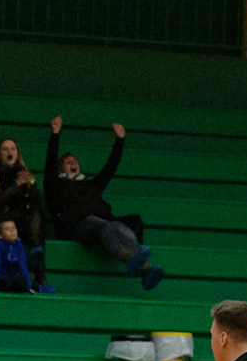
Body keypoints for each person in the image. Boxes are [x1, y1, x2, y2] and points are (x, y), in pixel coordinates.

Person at [46, 116, 163, 291]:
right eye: (69, 162)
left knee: (120, 224)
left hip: (104, 224)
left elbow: (110, 168)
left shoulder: (91, 184)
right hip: (75, 226)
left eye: (75, 161)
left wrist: (120, 140)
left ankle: (144, 268)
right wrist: (55, 134)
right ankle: (137, 262)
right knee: (107, 226)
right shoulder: (55, 185)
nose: (74, 163)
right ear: (60, 169)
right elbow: (49, 162)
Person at [0, 138, 49, 290]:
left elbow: (38, 200)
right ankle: (39, 276)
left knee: (35, 212)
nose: (9, 152)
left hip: (24, 221)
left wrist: (29, 186)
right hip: (4, 219)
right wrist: (16, 186)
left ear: (18, 154)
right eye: (5, 149)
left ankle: (37, 254)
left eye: (13, 149)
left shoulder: (24, 173)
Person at [0, 218, 34, 293]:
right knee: (4, 283)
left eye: (13, 228)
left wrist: (28, 287)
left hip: (12, 278)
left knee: (20, 282)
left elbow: (23, 265)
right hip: (1, 278)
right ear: (0, 235)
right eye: (7, 229)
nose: (12, 231)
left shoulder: (19, 244)